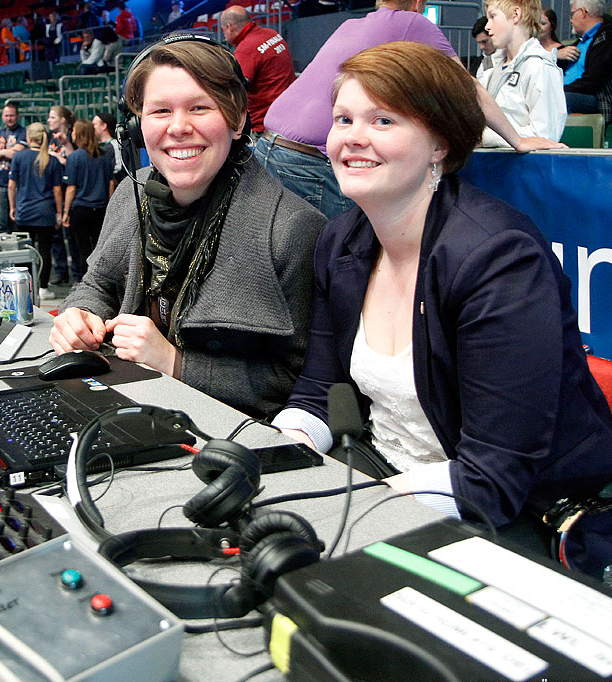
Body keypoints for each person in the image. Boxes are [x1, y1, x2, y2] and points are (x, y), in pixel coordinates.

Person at [273, 42, 612, 577]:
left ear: (439, 142)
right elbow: (319, 395)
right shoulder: (340, 243)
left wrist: (357, 514)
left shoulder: (498, 259)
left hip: (516, 513)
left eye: (383, 120)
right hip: (384, 473)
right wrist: (282, 458)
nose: (352, 136)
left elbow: (494, 476)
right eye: (343, 118)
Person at [51, 38, 325, 418]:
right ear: (135, 125)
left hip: (227, 439)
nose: (179, 127)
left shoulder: (293, 229)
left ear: (237, 119)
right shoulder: (132, 193)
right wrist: (79, 315)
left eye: (200, 108)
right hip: (128, 410)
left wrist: (176, 363)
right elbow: (97, 284)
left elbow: (301, 384)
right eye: (161, 110)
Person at [256, 0, 565, 221]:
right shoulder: (412, 22)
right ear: (419, 4)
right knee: (333, 269)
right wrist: (518, 140)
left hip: (267, 148)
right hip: (307, 164)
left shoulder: (351, 25)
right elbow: (467, 87)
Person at [477, 0, 566, 147]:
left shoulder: (541, 67)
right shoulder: (490, 65)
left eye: (493, 17)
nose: (487, 26)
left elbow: (544, 136)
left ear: (516, 15)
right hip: (488, 163)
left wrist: (485, 138)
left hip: (523, 167)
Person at [219, 5, 296, 134]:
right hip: (289, 115)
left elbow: (234, 90)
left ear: (229, 27)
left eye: (223, 30)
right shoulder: (273, 34)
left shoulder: (246, 50)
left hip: (265, 126)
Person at [8, 122, 63, 300]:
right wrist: (59, 212)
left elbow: (11, 185)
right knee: (44, 250)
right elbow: (57, 190)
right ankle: (43, 288)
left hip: (24, 211)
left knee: (26, 251)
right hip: (45, 212)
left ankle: (25, 288)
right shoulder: (52, 160)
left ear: (28, 138)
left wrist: (12, 206)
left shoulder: (18, 157)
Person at [559, 0, 612, 121]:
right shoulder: (579, 43)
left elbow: (592, 80)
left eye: (572, 14)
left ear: (582, 13)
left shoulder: (609, 38)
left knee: (557, 100)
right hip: (572, 94)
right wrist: (557, 55)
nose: (570, 20)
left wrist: (559, 90)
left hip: (599, 101)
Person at [62, 119, 113, 278]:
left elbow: (71, 187)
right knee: (99, 248)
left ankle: (84, 281)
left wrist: (65, 211)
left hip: (81, 209)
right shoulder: (104, 156)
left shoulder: (75, 157)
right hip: (101, 208)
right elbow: (111, 182)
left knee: (83, 249)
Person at [46, 105, 78, 285]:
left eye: (52, 117)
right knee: (56, 234)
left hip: (69, 188)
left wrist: (57, 155)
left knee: (71, 236)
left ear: (63, 120)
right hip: (53, 188)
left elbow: (73, 162)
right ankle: (60, 271)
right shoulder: (49, 139)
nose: (49, 120)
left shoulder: (72, 136)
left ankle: (77, 274)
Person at [0, 102, 27, 236]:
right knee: (0, 223)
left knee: (18, 222)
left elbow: (17, 152)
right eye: (6, 115)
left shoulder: (24, 132)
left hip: (18, 185)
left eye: (12, 116)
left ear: (18, 116)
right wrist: (5, 153)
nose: (9, 118)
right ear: (2, 117)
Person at [93, 110, 125, 185]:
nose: (92, 128)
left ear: (104, 126)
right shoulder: (97, 146)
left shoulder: (115, 145)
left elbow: (118, 170)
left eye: (94, 125)